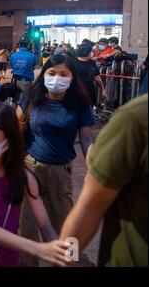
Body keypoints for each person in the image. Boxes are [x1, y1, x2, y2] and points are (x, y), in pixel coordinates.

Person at [0, 101, 69, 267]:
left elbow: (45, 226)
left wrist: (59, 253)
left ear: (8, 140)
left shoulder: (24, 179)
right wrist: (38, 249)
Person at [16, 54, 95, 266]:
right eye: (51, 73)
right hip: (30, 167)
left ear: (72, 77)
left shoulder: (79, 103)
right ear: (43, 75)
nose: (57, 78)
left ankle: (67, 263)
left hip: (61, 171)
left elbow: (86, 139)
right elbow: (15, 128)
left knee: (65, 226)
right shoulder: (31, 96)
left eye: (63, 74)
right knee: (26, 226)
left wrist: (94, 168)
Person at [60, 94, 148, 267]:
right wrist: (66, 260)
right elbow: (88, 210)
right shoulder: (135, 120)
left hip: (66, 171)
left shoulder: (82, 102)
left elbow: (86, 139)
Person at [76, 43, 107, 107]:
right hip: (76, 94)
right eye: (92, 51)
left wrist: (102, 90)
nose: (93, 53)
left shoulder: (92, 63)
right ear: (86, 52)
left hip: (89, 93)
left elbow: (97, 78)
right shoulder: (73, 63)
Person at [10, 35, 37, 101]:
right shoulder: (32, 56)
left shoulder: (13, 55)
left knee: (14, 100)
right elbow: (33, 68)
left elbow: (12, 66)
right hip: (26, 82)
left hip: (14, 81)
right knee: (27, 101)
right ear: (29, 44)